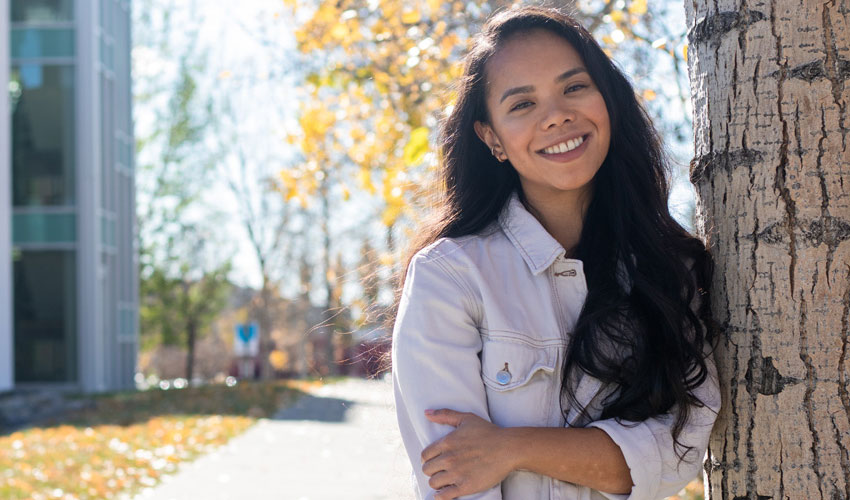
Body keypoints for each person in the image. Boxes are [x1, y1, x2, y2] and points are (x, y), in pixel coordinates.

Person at [390, 6, 721, 500]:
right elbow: (456, 478)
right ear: (492, 138)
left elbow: (678, 454)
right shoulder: (451, 276)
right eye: (521, 104)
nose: (557, 115)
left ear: (606, 98)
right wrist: (602, 456)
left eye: (574, 87)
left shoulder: (670, 269)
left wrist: (513, 448)